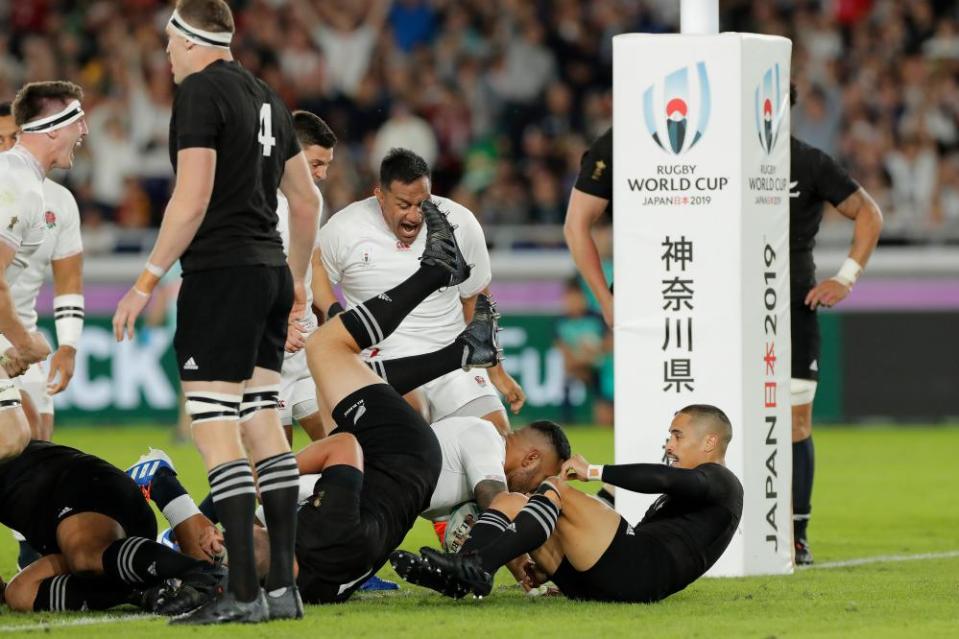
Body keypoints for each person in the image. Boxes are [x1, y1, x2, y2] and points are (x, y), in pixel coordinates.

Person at [131, 199, 483, 605]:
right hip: (402, 453)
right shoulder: (324, 532)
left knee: (332, 386)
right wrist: (271, 474)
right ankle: (436, 272)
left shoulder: (310, 587)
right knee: (327, 347)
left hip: (397, 488)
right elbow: (344, 447)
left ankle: (464, 351)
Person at [111, 0, 321, 623]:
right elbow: (306, 201)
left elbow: (193, 195)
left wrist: (145, 281)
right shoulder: (267, 96)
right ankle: (282, 589)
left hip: (220, 273)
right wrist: (301, 282)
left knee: (212, 426)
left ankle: (243, 594)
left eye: (169, 44)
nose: (167, 57)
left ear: (187, 37)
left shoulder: (200, 93)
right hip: (269, 270)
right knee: (261, 421)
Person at [391, 405, 743, 604]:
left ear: (710, 441)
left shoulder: (722, 481)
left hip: (640, 573)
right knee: (515, 502)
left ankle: (476, 566)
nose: (669, 445)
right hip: (602, 583)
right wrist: (542, 563)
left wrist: (593, 470)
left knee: (556, 486)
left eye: (677, 436)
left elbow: (663, 479)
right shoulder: (698, 495)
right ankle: (460, 572)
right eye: (670, 436)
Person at [315, 148, 525, 437]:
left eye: (422, 203)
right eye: (404, 204)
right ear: (380, 195)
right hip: (383, 363)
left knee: (498, 437)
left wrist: (497, 373)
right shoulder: (344, 227)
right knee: (413, 422)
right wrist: (335, 315)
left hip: (454, 360)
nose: (414, 215)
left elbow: (475, 298)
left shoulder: (460, 222)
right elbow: (314, 272)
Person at [788, 85, 883, 565]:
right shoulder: (719, 165)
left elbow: (869, 212)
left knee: (795, 423)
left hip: (793, 310)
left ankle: (797, 535)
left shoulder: (808, 163)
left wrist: (846, 278)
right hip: (731, 313)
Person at [0, 100, 86, 570]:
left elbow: (69, 282)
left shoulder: (58, 202)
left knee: (34, 443)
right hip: (11, 337)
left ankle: (28, 555)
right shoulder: (10, 184)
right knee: (18, 433)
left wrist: (67, 343)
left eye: (8, 136)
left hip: (21, 337)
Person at [0, 440, 222, 614]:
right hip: (78, 536)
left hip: (85, 485)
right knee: (20, 593)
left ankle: (205, 574)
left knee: (85, 556)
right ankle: (141, 588)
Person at [277, 110, 337, 441]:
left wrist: (331, 314)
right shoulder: (259, 204)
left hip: (304, 345)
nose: (323, 174)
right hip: (269, 349)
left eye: (326, 164)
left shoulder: (313, 203)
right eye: (316, 164)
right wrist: (277, 322)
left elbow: (314, 265)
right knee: (275, 471)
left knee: (341, 446)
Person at [564, 128, 613, 327]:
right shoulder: (612, 146)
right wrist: (606, 301)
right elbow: (575, 227)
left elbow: (575, 227)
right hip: (638, 293)